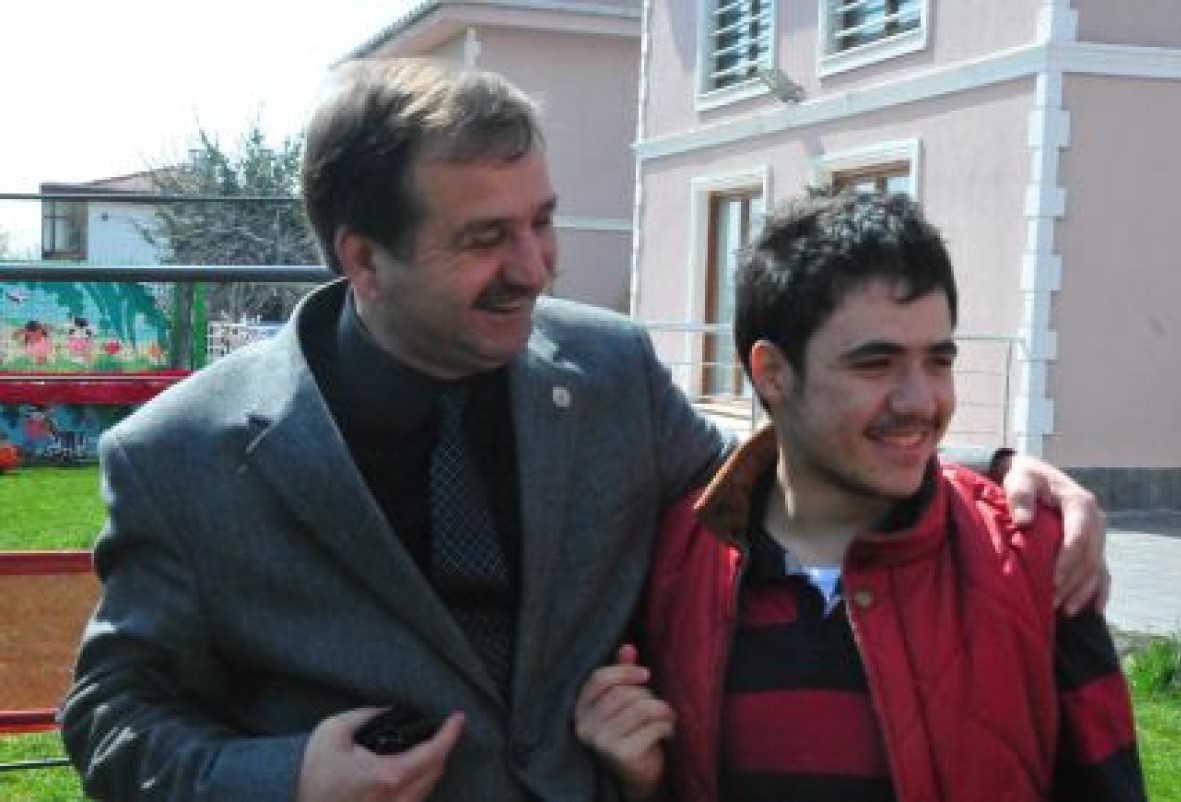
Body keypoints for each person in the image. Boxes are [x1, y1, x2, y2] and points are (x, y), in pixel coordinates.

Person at [61, 60, 1107, 802]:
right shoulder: (181, 456)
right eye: (485, 237)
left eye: (542, 220)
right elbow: (111, 717)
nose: (534, 266)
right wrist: (284, 778)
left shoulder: (608, 372)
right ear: (364, 259)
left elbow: (775, 483)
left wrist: (991, 473)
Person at [575, 192, 1145, 802]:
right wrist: (638, 787)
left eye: (938, 361)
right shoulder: (675, 563)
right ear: (772, 373)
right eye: (876, 364)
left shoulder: (1036, 557)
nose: (920, 401)